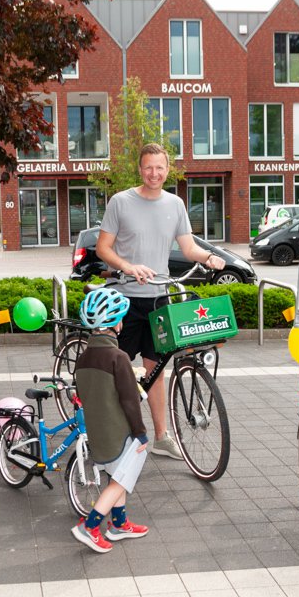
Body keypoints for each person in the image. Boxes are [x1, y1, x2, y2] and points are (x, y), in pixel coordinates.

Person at [96, 143, 225, 459]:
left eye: (160, 167)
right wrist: (128, 267)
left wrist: (209, 257)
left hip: (159, 299)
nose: (154, 173)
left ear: (168, 170)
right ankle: (110, 436)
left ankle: (161, 437)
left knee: (156, 369)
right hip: (123, 298)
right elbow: (103, 248)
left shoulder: (175, 204)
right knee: (116, 371)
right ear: (140, 169)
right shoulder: (120, 202)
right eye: (148, 167)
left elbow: (188, 248)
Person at [71, 288, 151, 553]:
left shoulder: (83, 358)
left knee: (117, 475)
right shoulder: (119, 357)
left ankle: (119, 524)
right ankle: (90, 526)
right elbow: (130, 400)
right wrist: (140, 432)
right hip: (120, 431)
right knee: (121, 480)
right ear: (117, 324)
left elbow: (83, 394)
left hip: (98, 431)